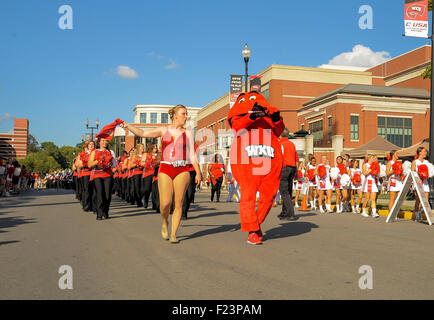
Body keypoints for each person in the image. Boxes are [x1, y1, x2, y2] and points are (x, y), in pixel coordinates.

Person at [121, 104, 201, 243]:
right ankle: (165, 222)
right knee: (165, 203)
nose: (186, 116)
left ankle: (174, 234)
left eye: (186, 114)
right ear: (175, 115)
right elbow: (143, 133)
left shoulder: (187, 133)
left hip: (182, 169)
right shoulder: (164, 130)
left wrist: (198, 173)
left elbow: (192, 155)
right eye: (184, 113)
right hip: (166, 168)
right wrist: (128, 126)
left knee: (179, 203)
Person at [88, 137, 116, 220]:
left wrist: (109, 163)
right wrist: (98, 160)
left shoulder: (111, 152)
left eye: (106, 140)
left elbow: (114, 166)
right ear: (99, 143)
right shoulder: (94, 151)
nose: (105, 142)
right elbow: (89, 165)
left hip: (108, 175)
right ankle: (99, 213)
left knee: (107, 195)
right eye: (103, 141)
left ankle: (105, 211)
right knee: (99, 193)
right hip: (97, 174)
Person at [278, 128, 299, 220]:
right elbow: (296, 158)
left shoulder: (280, 144)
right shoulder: (292, 144)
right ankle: (284, 212)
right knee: (288, 191)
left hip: (284, 168)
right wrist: (296, 171)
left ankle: (290, 213)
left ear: (280, 135)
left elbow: (278, 158)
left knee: (284, 191)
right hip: (292, 168)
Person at [412, 146, 431, 221]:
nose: (426, 153)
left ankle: (420, 211)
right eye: (424, 151)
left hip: (425, 182)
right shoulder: (415, 162)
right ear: (420, 153)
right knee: (418, 200)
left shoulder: (427, 162)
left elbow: (429, 171)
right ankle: (417, 215)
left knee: (426, 200)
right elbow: (412, 173)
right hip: (417, 182)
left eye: (426, 151)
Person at [77, 141, 95, 212]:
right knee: (87, 190)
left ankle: (93, 205)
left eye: (93, 144)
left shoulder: (96, 153)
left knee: (94, 190)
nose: (91, 145)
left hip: (94, 173)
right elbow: (79, 165)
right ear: (87, 146)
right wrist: (87, 163)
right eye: (90, 144)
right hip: (86, 173)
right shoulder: (83, 154)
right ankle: (86, 205)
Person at [141, 144, 157, 208]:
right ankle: (146, 200)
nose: (156, 149)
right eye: (155, 147)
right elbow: (141, 163)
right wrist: (148, 163)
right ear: (151, 148)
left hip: (155, 173)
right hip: (147, 173)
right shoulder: (146, 154)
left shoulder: (158, 155)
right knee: (147, 189)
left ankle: (154, 204)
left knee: (154, 189)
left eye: (156, 147)